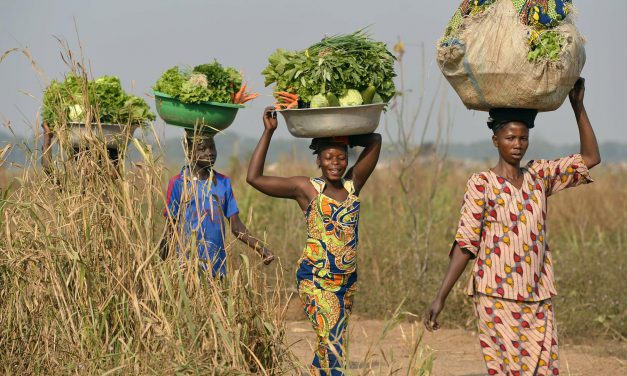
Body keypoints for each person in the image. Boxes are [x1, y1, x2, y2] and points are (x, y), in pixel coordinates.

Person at [424, 78, 600, 375]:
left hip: (538, 296)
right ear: (495, 141)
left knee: (545, 370)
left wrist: (577, 106)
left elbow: (591, 158)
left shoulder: (539, 176)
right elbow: (466, 244)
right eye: (510, 138)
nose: (517, 145)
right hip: (496, 296)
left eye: (523, 138)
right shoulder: (482, 184)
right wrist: (440, 297)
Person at [246, 106, 382, 375]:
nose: (335, 163)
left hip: (346, 281)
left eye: (341, 157)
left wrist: (343, 136)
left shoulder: (353, 185)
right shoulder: (306, 189)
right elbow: (254, 178)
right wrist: (268, 132)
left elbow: (375, 140)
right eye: (328, 157)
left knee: (330, 342)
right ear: (318, 159)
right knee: (332, 344)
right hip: (316, 280)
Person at [161, 133, 275, 276]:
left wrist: (260, 248)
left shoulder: (222, 182)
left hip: (217, 266)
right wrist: (161, 264)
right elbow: (171, 227)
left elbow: (236, 226)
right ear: (189, 152)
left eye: (212, 148)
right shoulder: (179, 183)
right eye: (202, 149)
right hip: (186, 267)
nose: (209, 153)